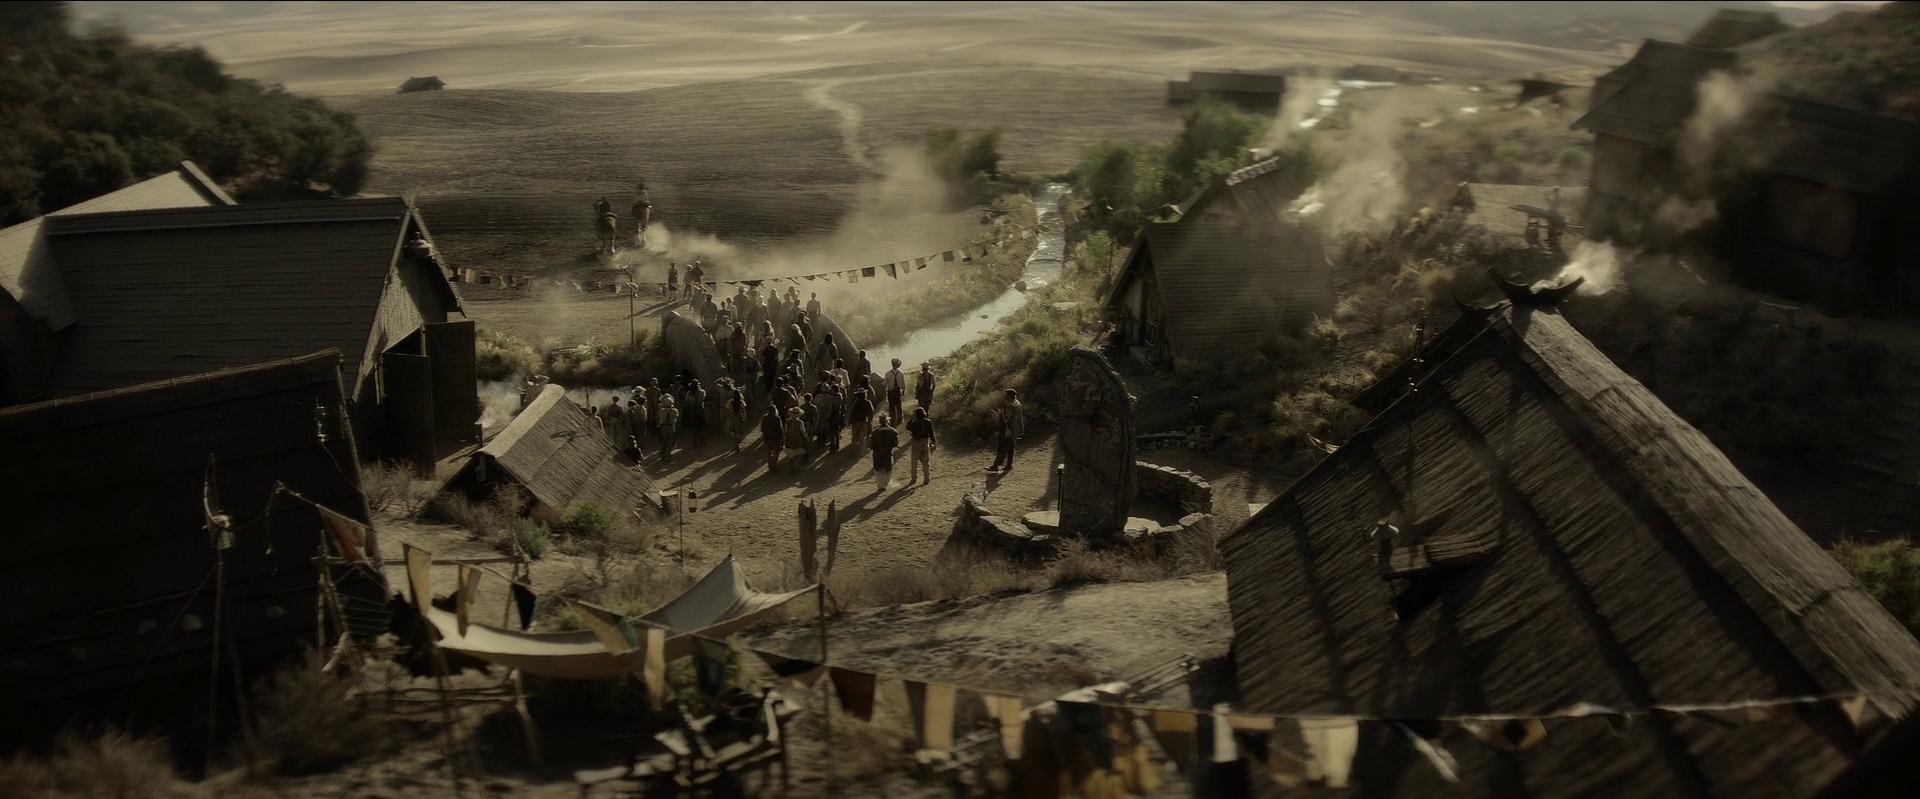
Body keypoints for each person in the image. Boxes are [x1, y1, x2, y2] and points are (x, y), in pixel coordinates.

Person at [988, 389, 1024, 473]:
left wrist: (1008, 430)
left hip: (1008, 430)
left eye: (1007, 395)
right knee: (1011, 448)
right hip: (1015, 430)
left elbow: (1007, 419)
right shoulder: (1017, 403)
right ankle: (1009, 465)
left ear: (1009, 396)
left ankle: (996, 466)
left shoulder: (1010, 405)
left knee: (1003, 448)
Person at [868, 414, 900, 494]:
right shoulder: (893, 431)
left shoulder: (875, 433)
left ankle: (881, 486)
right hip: (888, 453)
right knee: (888, 468)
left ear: (879, 421)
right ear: (887, 421)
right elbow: (896, 443)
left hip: (877, 453)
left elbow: (871, 445)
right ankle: (886, 482)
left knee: (878, 469)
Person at [906, 406, 936, 485]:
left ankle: (914, 478)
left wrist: (911, 418)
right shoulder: (928, 422)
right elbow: (932, 433)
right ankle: (926, 479)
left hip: (916, 442)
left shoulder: (914, 423)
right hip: (925, 442)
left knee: (914, 462)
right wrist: (933, 442)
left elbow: (907, 427)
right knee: (925, 462)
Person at [782, 406, 810, 473]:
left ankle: (791, 467)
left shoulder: (787, 421)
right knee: (798, 455)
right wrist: (806, 438)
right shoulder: (800, 422)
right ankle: (795, 467)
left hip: (789, 439)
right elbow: (803, 432)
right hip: (798, 440)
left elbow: (785, 431)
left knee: (790, 454)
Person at [849, 387, 874, 454]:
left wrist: (850, 420)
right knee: (862, 437)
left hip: (856, 422)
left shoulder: (855, 403)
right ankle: (861, 451)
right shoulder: (868, 402)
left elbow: (852, 412)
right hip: (864, 421)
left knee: (854, 437)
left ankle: (854, 450)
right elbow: (871, 412)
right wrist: (870, 420)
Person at [760, 405, 785, 472]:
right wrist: (782, 438)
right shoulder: (777, 418)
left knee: (768, 453)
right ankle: (774, 465)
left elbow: (762, 428)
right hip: (775, 438)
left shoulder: (764, 417)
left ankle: (770, 466)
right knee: (776, 453)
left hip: (766, 438)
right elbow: (780, 429)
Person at [656, 394, 680, 461]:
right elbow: (675, 419)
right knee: (669, 442)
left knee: (663, 442)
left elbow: (661, 419)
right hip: (671, 426)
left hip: (663, 426)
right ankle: (667, 457)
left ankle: (662, 456)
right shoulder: (675, 410)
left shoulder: (662, 410)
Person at [684, 379, 708, 446]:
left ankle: (695, 441)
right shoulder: (702, 392)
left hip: (692, 410)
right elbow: (701, 400)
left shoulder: (688, 393)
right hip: (699, 410)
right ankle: (702, 440)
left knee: (694, 427)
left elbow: (687, 402)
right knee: (701, 426)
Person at [726, 383, 749, 453]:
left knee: (733, 431)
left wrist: (727, 419)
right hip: (739, 417)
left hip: (732, 417)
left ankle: (735, 445)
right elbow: (744, 411)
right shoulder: (741, 402)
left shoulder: (730, 402)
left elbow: (727, 411)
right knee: (739, 432)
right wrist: (745, 418)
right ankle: (737, 445)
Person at [884, 358, 906, 423]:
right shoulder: (901, 374)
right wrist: (903, 391)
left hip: (890, 391)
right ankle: (900, 418)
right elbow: (903, 384)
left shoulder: (888, 373)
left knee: (891, 406)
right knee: (898, 405)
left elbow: (885, 383)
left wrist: (883, 386)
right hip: (897, 391)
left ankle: (892, 418)